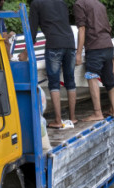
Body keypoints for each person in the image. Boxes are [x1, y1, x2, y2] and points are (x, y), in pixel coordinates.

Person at [22, 0, 77, 129]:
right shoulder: (62, 2)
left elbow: (32, 30)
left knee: (54, 82)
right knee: (70, 80)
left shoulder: (37, 4)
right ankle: (73, 118)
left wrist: (25, 52)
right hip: (70, 43)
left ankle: (58, 120)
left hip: (54, 44)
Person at [74, 0, 114, 121]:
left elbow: (82, 29)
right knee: (109, 78)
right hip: (108, 44)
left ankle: (97, 113)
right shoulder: (100, 4)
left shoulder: (79, 4)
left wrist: (78, 53)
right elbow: (108, 26)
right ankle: (113, 110)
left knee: (91, 76)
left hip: (95, 46)